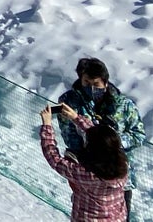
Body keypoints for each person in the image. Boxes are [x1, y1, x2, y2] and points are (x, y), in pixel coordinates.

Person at [57, 58, 146, 213]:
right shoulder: (69, 102)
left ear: (105, 82)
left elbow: (138, 135)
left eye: (96, 84)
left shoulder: (124, 106)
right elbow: (68, 134)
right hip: (87, 177)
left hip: (117, 176)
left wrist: (114, 141)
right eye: (86, 83)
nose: (91, 88)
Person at [40, 104, 129, 221]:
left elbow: (55, 160)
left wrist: (47, 125)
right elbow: (101, 139)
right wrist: (75, 117)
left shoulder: (88, 176)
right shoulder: (123, 163)